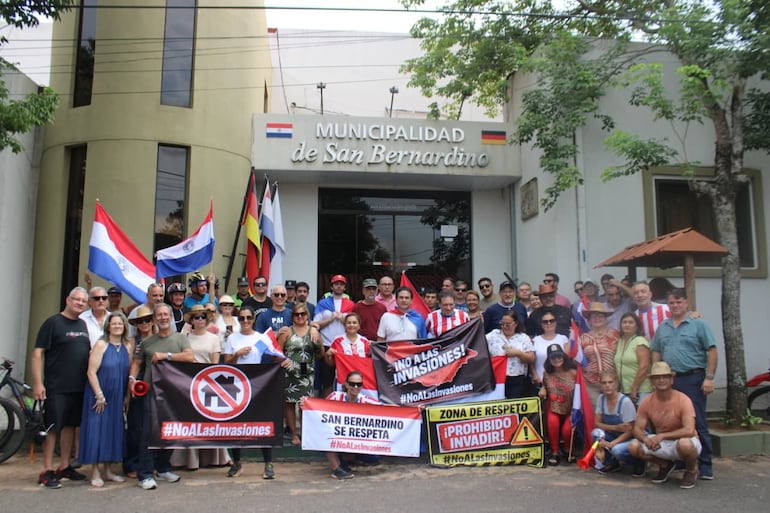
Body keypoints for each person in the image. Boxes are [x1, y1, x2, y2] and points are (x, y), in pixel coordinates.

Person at [651, 288, 717, 480]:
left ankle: (705, 465)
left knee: (697, 421)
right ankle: (681, 459)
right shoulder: (663, 326)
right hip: (669, 380)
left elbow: (712, 350)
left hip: (693, 378)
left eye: (679, 302)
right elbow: (656, 350)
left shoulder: (699, 324)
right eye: (672, 302)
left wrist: (709, 377)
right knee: (673, 420)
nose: (675, 305)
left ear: (686, 303)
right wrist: (657, 374)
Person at [129, 303, 195, 490]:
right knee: (148, 433)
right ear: (155, 319)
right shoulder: (147, 342)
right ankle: (145, 474)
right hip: (152, 391)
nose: (163, 318)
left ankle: (164, 467)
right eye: (159, 315)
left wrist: (165, 355)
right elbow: (136, 362)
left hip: (174, 392)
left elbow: (189, 357)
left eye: (166, 314)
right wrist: (132, 379)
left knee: (170, 431)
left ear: (170, 317)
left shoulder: (180, 338)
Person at [31, 287, 91, 488]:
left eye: (84, 301)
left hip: (78, 386)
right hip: (56, 386)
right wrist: (38, 383)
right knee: (53, 428)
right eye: (77, 300)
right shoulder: (52, 323)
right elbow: (37, 354)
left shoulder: (83, 324)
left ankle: (64, 466)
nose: (80, 303)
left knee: (70, 427)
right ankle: (47, 470)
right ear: (68, 299)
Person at [223, 306, 292, 480]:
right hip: (236, 387)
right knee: (235, 426)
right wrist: (237, 354)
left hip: (257, 385)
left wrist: (285, 361)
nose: (245, 321)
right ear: (238, 320)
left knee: (262, 424)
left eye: (248, 318)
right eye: (242, 318)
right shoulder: (232, 338)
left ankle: (268, 463)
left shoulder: (260, 338)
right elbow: (226, 364)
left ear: (253, 319)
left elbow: (276, 356)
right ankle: (237, 463)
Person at [171, 304, 228, 470]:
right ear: (192, 320)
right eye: (197, 317)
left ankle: (215, 458)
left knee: (210, 420)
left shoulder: (213, 338)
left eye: (203, 316)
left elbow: (215, 363)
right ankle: (189, 460)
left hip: (208, 383)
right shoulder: (184, 337)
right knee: (190, 421)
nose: (200, 320)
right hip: (188, 383)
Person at [79, 312, 133, 487]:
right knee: (96, 431)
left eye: (120, 323)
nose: (117, 326)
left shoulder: (127, 345)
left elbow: (129, 373)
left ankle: (108, 470)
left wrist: (126, 396)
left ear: (124, 326)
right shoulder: (101, 344)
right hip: (99, 396)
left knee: (113, 431)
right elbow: (91, 372)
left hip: (118, 396)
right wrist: (99, 395)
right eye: (114, 323)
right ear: (108, 326)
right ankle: (95, 472)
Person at [629, 362, 702, 489]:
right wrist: (646, 439)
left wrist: (661, 436)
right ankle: (664, 465)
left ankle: (691, 470)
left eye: (665, 377)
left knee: (685, 444)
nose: (661, 380)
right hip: (662, 442)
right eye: (657, 377)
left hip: (683, 441)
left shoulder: (683, 399)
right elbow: (637, 429)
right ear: (652, 381)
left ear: (671, 379)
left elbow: (689, 430)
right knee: (633, 446)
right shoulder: (646, 402)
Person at [301, 371, 381, 479]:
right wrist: (306, 404)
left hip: (355, 438)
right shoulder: (335, 396)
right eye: (352, 384)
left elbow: (384, 408)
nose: (355, 387)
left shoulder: (364, 400)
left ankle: (345, 458)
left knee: (373, 458)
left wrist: (405, 410)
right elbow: (320, 411)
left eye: (359, 384)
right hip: (336, 436)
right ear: (346, 384)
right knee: (327, 433)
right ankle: (336, 468)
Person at [277, 303, 323, 446]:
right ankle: (293, 434)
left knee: (305, 404)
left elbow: (320, 354)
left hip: (307, 373)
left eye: (303, 314)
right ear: (292, 317)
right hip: (289, 373)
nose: (300, 317)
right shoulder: (287, 332)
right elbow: (277, 352)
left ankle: (306, 433)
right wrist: (284, 361)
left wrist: (317, 342)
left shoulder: (313, 332)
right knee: (289, 404)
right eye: (297, 314)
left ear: (307, 315)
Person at [592, 371, 644, 476]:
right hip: (613, 433)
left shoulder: (625, 402)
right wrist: (616, 427)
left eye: (610, 382)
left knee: (617, 451)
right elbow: (597, 423)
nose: (607, 385)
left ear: (616, 383)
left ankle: (639, 462)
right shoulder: (601, 399)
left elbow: (631, 430)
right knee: (596, 433)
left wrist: (613, 443)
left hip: (629, 438)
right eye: (604, 383)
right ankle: (611, 463)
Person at [123, 306, 154, 478]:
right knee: (135, 426)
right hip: (137, 383)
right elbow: (131, 364)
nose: (144, 324)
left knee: (151, 427)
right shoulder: (132, 341)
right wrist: (131, 383)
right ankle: (131, 463)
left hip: (154, 383)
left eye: (147, 320)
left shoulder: (157, 339)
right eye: (141, 321)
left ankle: (150, 463)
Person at [313, 275, 356, 396]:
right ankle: (328, 406)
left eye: (341, 284)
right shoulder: (323, 303)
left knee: (346, 379)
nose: (339, 286)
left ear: (345, 287)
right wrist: (330, 319)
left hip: (345, 346)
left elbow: (355, 325)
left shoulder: (350, 304)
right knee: (326, 381)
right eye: (336, 284)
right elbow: (315, 324)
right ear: (331, 286)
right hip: (327, 345)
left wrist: (342, 319)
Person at [538, 343, 578, 465]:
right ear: (549, 360)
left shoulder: (573, 373)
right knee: (552, 424)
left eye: (559, 357)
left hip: (570, 407)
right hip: (554, 406)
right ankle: (555, 452)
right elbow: (545, 386)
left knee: (567, 430)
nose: (557, 360)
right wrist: (543, 389)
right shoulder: (546, 373)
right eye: (553, 357)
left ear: (564, 357)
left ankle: (567, 450)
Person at [486, 311, 535, 399]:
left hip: (516, 379)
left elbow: (531, 358)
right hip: (497, 378)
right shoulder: (493, 334)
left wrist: (518, 353)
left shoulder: (523, 338)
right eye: (502, 324)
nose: (504, 327)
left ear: (515, 324)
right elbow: (479, 341)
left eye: (507, 324)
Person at [579, 302, 619, 402]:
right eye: (594, 316)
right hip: (591, 382)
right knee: (596, 413)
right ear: (589, 320)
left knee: (613, 409)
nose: (597, 318)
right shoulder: (582, 338)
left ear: (605, 318)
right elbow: (576, 358)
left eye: (600, 316)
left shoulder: (615, 334)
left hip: (612, 381)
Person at [615, 313, 652, 404]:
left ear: (637, 326)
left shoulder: (640, 341)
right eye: (624, 322)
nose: (627, 324)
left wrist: (634, 387)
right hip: (624, 389)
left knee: (640, 416)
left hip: (640, 390)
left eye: (631, 322)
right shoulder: (620, 341)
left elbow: (644, 366)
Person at [530, 312, 568, 390]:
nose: (548, 323)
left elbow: (567, 360)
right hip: (540, 381)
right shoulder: (535, 340)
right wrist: (534, 375)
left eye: (551, 320)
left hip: (560, 382)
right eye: (545, 321)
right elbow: (531, 361)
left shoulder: (563, 339)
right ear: (541, 324)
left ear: (556, 322)